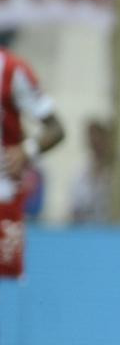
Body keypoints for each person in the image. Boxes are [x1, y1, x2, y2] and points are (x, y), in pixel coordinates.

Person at [0, 46, 65, 278]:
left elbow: (56, 129)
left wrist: (26, 151)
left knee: (5, 291)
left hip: (3, 201)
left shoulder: (11, 70)